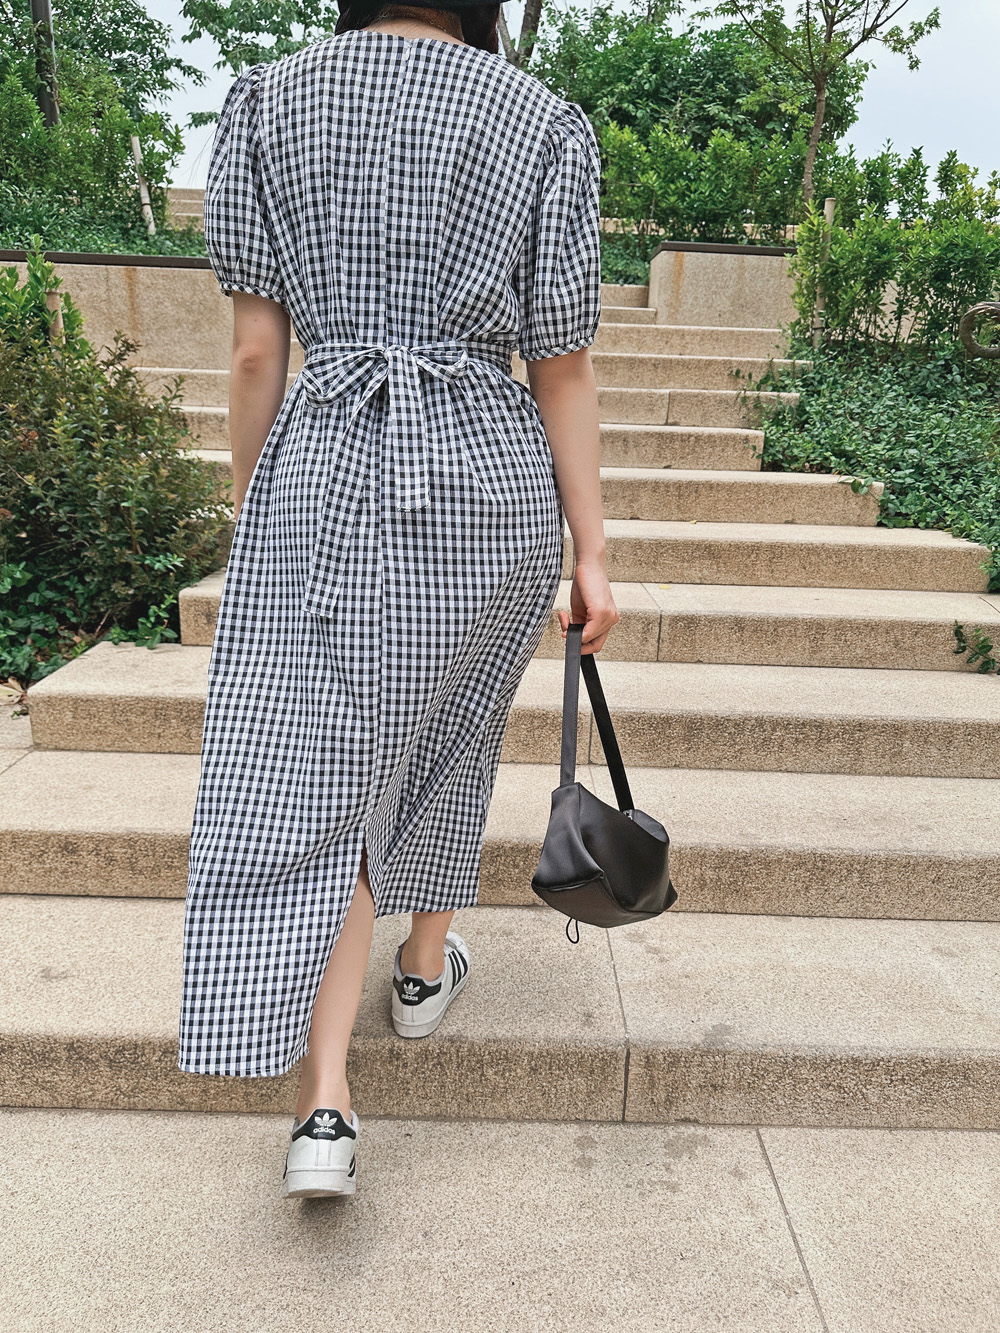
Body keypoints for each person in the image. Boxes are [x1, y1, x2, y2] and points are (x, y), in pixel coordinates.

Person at [177, 0, 618, 1199]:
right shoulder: (541, 121)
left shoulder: (270, 100)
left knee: (324, 766)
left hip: (326, 467)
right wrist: (590, 548)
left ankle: (324, 1105)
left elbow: (256, 351)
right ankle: (421, 972)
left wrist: (254, 505)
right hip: (488, 480)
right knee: (446, 729)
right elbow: (563, 363)